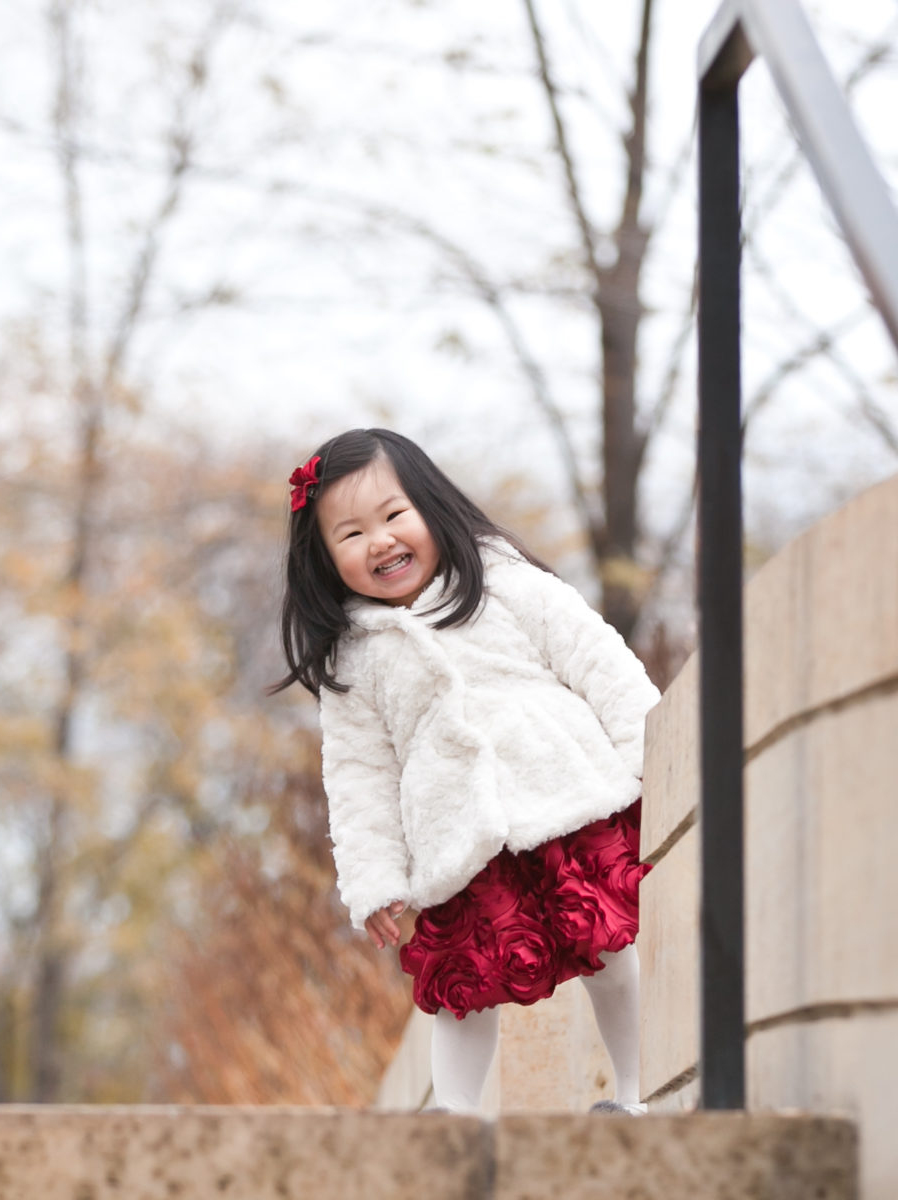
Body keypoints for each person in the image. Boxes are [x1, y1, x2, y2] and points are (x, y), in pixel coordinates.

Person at [274, 427, 660, 1115]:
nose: (381, 541)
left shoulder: (503, 581)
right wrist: (375, 879)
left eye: (394, 516)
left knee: (606, 950)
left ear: (431, 506)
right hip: (457, 836)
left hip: (564, 794)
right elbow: (359, 778)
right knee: (464, 982)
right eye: (352, 533)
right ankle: (451, 1115)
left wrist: (651, 752)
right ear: (327, 560)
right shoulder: (354, 663)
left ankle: (634, 1094)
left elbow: (595, 658)